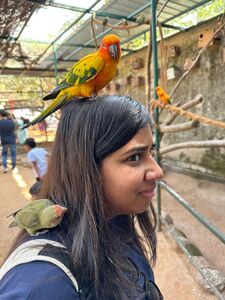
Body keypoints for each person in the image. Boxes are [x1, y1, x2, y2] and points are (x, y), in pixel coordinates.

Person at [0, 95, 164, 299]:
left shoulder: (117, 223)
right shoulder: (42, 284)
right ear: (85, 168)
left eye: (152, 151)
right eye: (134, 157)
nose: (158, 171)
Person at [0, 109, 17, 173]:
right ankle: (14, 167)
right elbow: (14, 130)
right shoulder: (11, 122)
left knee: (4, 154)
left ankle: (5, 168)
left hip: (4, 141)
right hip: (12, 140)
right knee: (13, 154)